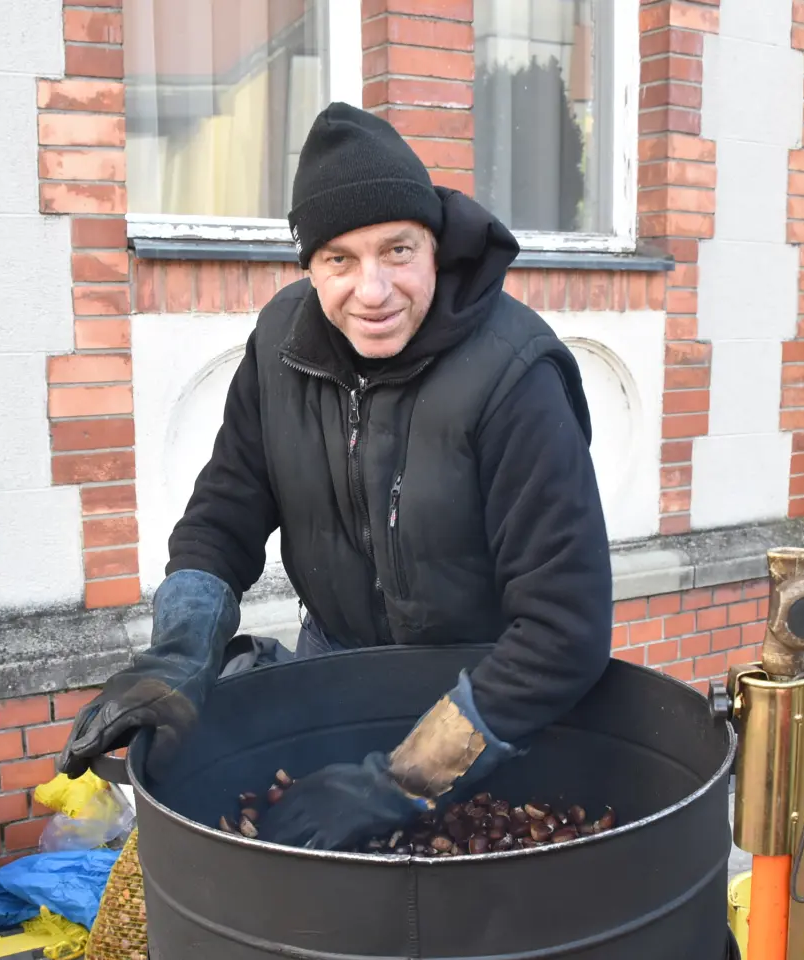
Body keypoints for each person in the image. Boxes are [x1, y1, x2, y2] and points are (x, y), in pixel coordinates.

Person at [57, 102, 613, 850]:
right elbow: (223, 516)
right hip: (338, 681)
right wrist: (181, 652)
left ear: (436, 248)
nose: (373, 290)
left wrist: (404, 778)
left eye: (397, 251)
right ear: (310, 265)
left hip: (490, 711)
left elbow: (565, 630)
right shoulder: (281, 343)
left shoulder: (517, 376)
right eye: (340, 260)